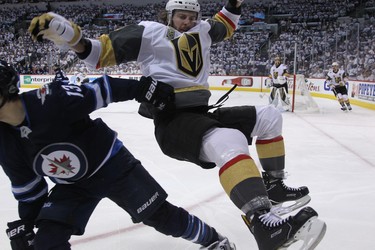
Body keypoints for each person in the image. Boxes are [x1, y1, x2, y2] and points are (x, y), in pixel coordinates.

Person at [28, 1, 327, 249]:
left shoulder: (204, 30)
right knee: (229, 142)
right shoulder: (150, 32)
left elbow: (227, 21)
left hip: (202, 113)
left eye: (192, 16)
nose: (187, 21)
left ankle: (273, 187)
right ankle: (264, 225)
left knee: (270, 118)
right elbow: (98, 53)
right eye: (181, 16)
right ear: (168, 15)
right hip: (173, 121)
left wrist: (234, 4)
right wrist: (67, 34)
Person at [0, 60, 235, 250]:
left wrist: (144, 89)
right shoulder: (4, 141)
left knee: (159, 216)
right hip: (73, 186)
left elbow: (104, 89)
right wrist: (27, 224)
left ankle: (214, 241)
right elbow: (29, 189)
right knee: (47, 242)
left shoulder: (49, 100)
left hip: (113, 166)